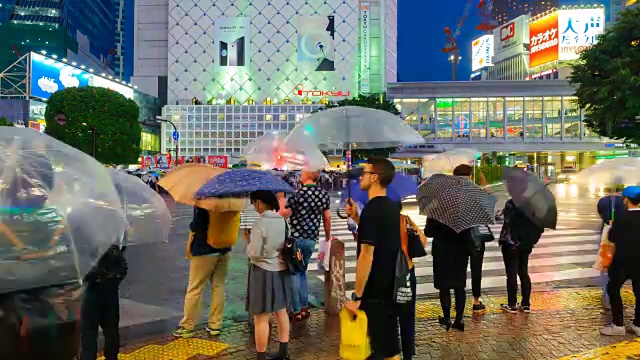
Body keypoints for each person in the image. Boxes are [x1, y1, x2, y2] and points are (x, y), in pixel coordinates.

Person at [345, 157, 402, 360]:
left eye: (365, 173)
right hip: (390, 285)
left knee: (381, 349)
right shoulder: (391, 207)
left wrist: (357, 296)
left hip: (375, 289)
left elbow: (366, 255)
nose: (361, 176)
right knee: (388, 346)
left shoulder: (372, 210)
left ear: (375, 177)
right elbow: (381, 238)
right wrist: (357, 219)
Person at [173, 207, 241, 338]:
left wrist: (192, 224)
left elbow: (197, 226)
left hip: (204, 249)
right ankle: (215, 324)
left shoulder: (205, 201)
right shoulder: (229, 201)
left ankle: (187, 325)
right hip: (224, 248)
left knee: (195, 287)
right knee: (218, 286)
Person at [245, 191, 292, 360]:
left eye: (253, 203)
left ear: (259, 203)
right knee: (281, 312)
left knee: (261, 317)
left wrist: (248, 243)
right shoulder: (283, 221)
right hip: (281, 270)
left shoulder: (259, 223)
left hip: (262, 272)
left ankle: (261, 355)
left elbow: (256, 253)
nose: (253, 207)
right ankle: (283, 351)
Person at [279, 170, 331, 320]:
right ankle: (304, 307)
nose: (300, 173)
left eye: (303, 171)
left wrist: (281, 199)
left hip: (296, 241)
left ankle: (296, 310)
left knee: (294, 273)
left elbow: (284, 213)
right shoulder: (323, 194)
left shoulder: (298, 194)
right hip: (310, 240)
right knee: (302, 272)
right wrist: (328, 238)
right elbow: (327, 218)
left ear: (308, 174)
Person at [600, 186, 640, 336]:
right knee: (639, 291)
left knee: (613, 288)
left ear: (626, 199)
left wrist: (612, 226)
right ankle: (638, 324)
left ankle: (618, 324)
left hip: (622, 260)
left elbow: (612, 238)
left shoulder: (621, 217)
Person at [79, 242, 128, 360]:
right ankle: (112, 357)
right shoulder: (114, 247)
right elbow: (123, 268)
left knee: (89, 332)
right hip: (110, 293)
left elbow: (85, 271)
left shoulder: (86, 244)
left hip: (92, 293)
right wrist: (111, 278)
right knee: (111, 330)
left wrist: (98, 277)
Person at [452, 164, 486, 314]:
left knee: (459, 270)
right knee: (476, 269)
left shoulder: (451, 195)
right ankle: (476, 301)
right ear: (470, 176)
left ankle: (459, 301)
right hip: (475, 237)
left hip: (457, 238)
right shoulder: (477, 193)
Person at [499, 199, 543, 313]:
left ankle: (512, 304)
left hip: (511, 245)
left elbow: (508, 223)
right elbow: (539, 227)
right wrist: (530, 241)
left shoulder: (511, 204)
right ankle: (525, 304)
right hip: (525, 245)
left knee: (511, 273)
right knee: (523, 272)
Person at [596, 186, 624, 310]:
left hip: (606, 237)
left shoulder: (603, 201)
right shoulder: (625, 200)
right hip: (622, 238)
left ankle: (606, 297)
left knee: (606, 266)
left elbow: (601, 214)